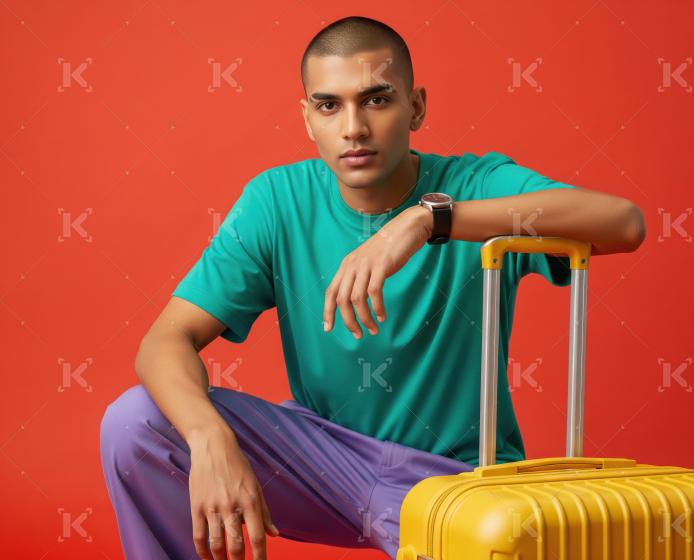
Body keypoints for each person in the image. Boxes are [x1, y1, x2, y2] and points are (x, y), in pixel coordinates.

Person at [99, 15, 646, 560]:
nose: (353, 128)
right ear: (308, 118)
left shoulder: (473, 185)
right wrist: (208, 439)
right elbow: (164, 341)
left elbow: (623, 223)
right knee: (136, 422)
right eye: (329, 105)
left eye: (377, 100)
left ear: (417, 107)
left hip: (457, 482)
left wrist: (430, 221)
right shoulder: (277, 199)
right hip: (323, 464)